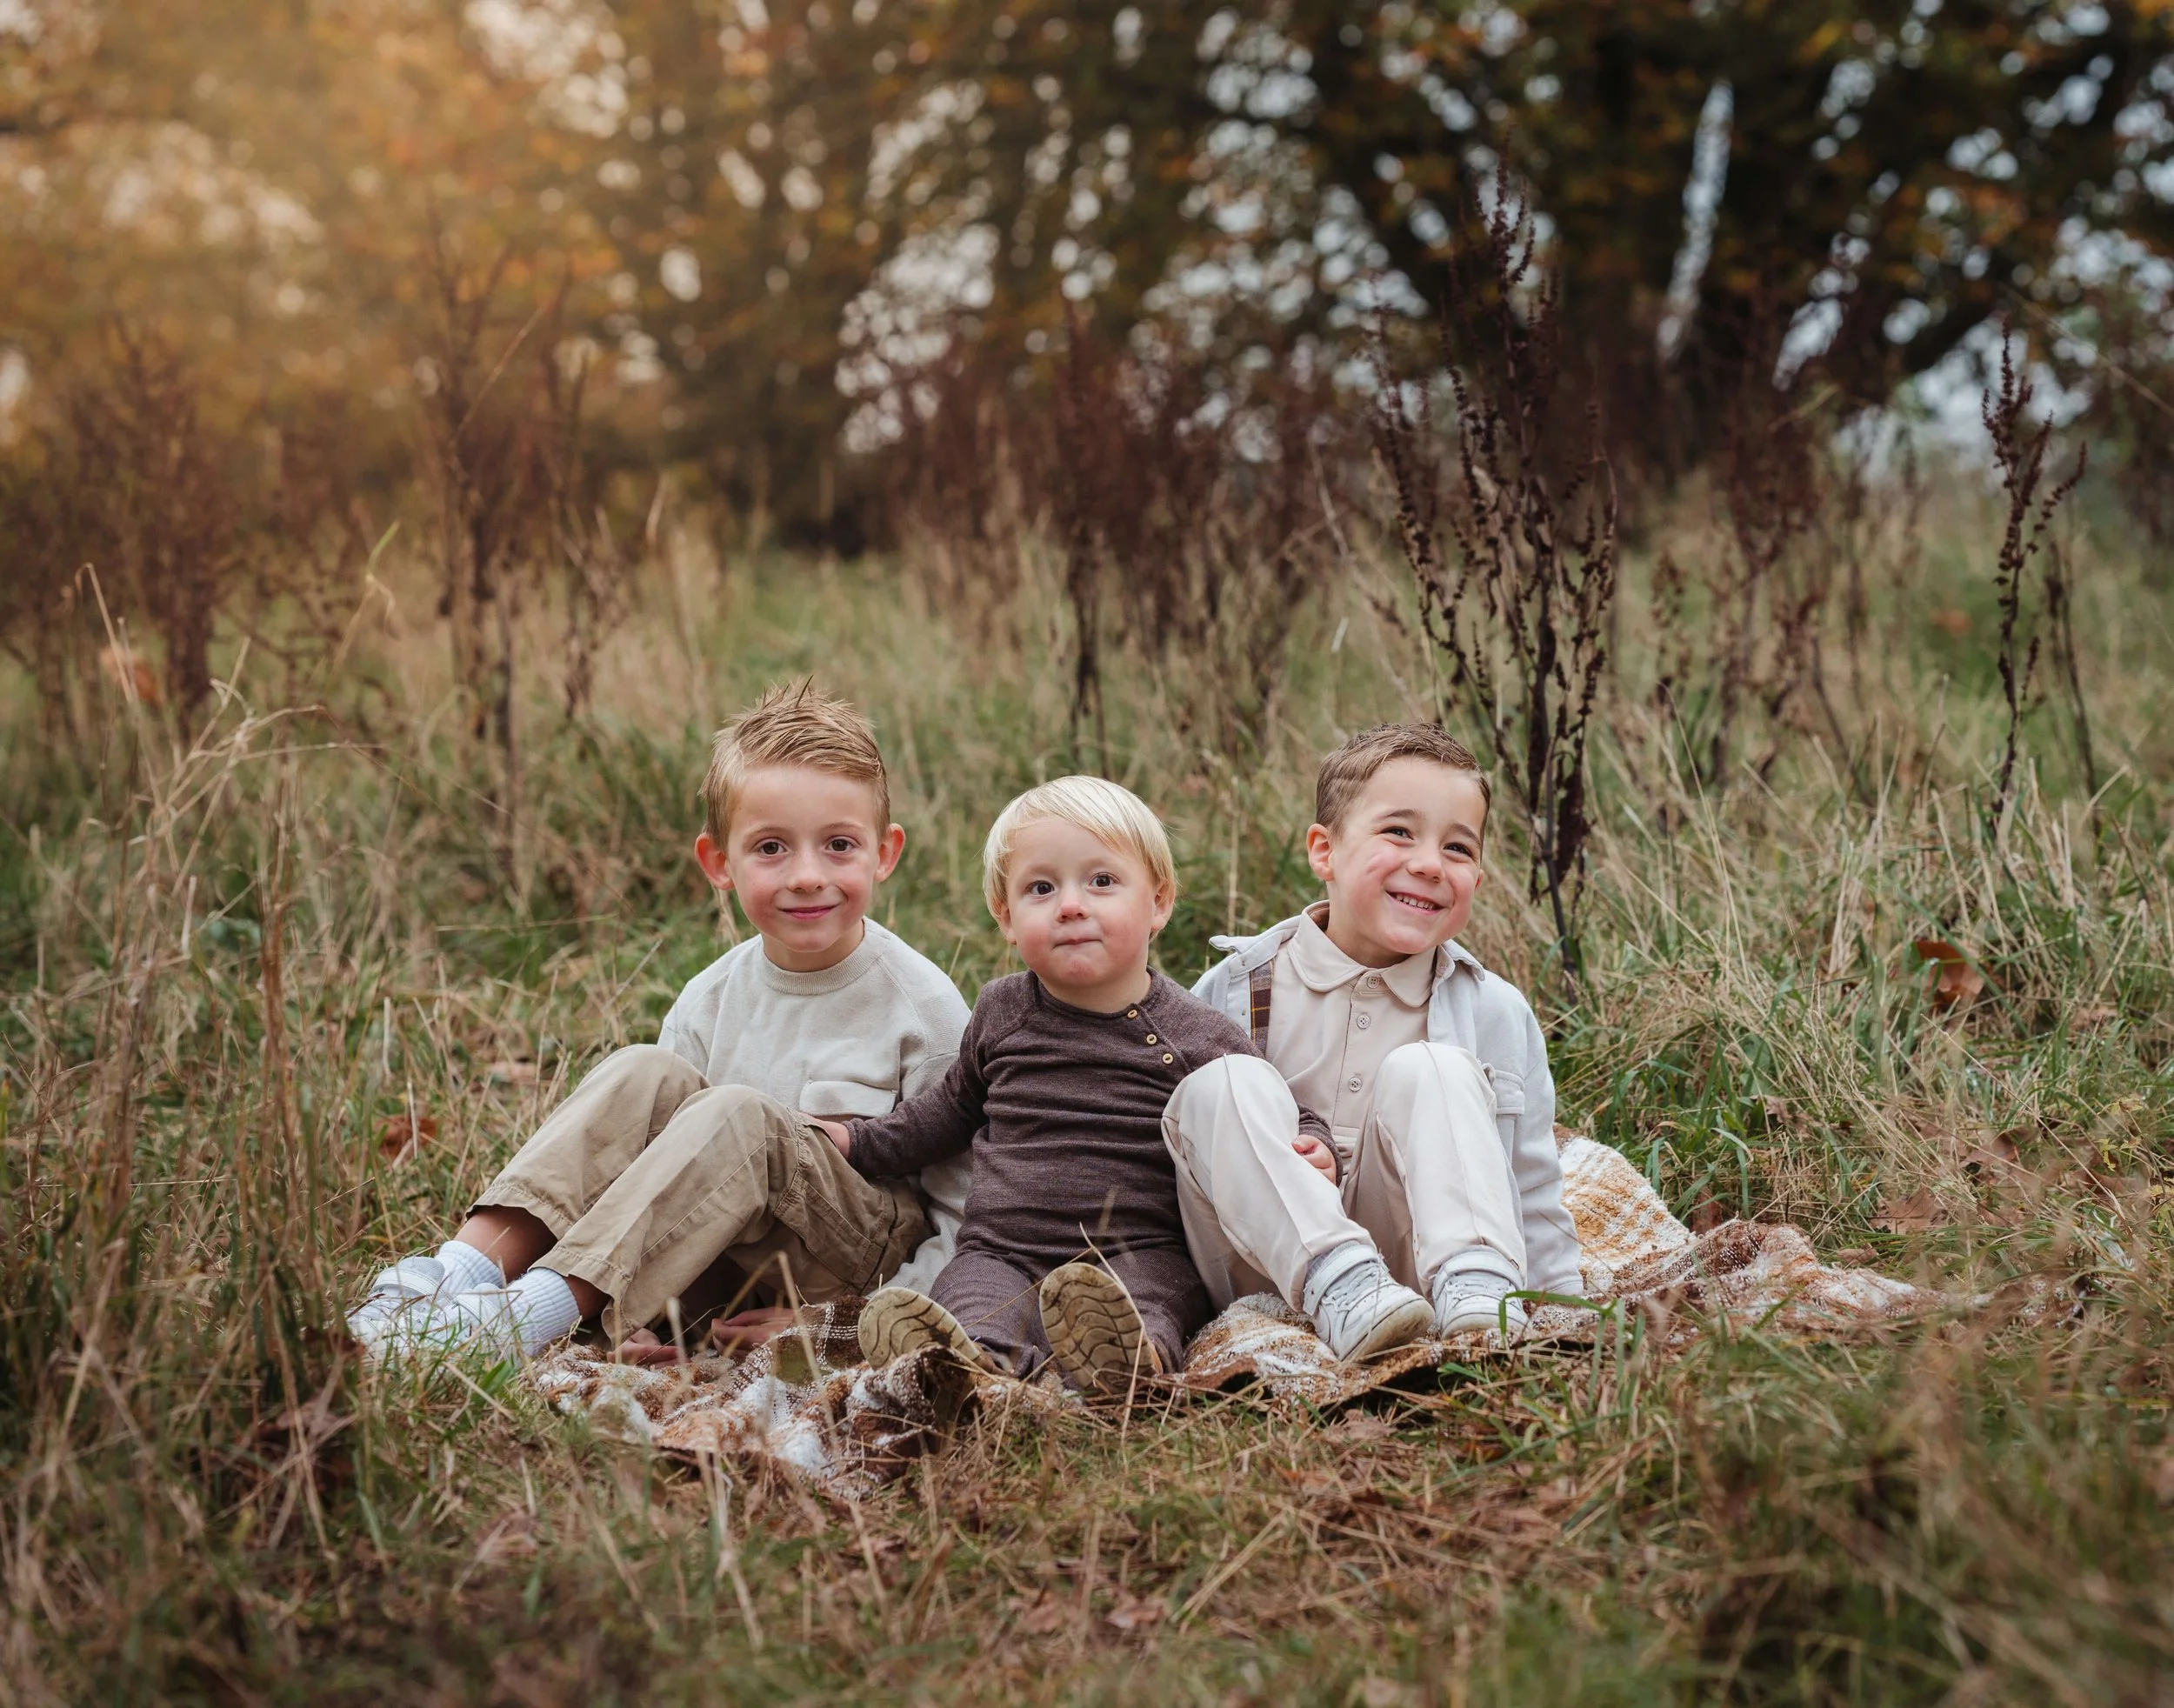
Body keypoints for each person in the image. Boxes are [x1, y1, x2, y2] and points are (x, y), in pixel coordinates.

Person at [345, 683, 971, 1366]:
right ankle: (450, 1279)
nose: (806, 875)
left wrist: (847, 1325)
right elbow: (649, 1179)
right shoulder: (711, 997)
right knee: (643, 1070)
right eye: (770, 848)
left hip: (851, 1270)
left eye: (839, 845)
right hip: (714, 1265)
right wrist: (644, 1309)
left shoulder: (924, 1010)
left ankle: (524, 1322)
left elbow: (966, 1218)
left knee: (741, 1114)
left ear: (885, 854)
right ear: (718, 864)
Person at [817, 776, 1333, 1396]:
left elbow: (1272, 1102)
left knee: (1153, 1299)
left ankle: (1126, 1360)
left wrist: (1311, 1139)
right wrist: (856, 1142)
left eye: (1102, 882)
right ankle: (970, 1366)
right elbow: (946, 1111)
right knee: (970, 1296)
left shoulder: (1192, 1031)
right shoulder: (1002, 1011)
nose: (1070, 905)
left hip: (1137, 1246)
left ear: (1159, 904)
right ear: (1006, 918)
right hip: (1003, 1248)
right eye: (1041, 888)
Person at [1174, 724, 1584, 1351]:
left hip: (1422, 1280)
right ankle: (1338, 1286)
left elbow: (1530, 1184)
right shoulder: (1235, 988)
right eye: (1399, 832)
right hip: (1260, 1274)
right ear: (1324, 851)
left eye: (1458, 848)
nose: (1428, 864)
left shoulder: (1492, 1010)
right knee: (1219, 1083)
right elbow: (1177, 1159)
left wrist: (1563, 1314)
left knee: (1435, 1070)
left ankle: (1482, 1289)